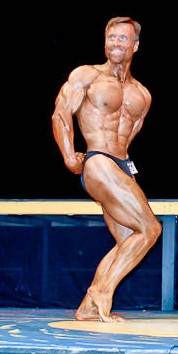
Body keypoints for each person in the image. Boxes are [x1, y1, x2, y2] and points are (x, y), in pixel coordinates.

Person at [52, 17, 161, 322]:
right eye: (111, 37)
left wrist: (127, 175)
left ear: (135, 46)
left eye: (122, 38)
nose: (115, 43)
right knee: (151, 229)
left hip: (121, 167)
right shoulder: (87, 75)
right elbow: (61, 114)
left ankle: (88, 306)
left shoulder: (143, 94)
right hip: (97, 160)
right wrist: (69, 155)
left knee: (129, 240)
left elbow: (129, 137)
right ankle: (103, 291)